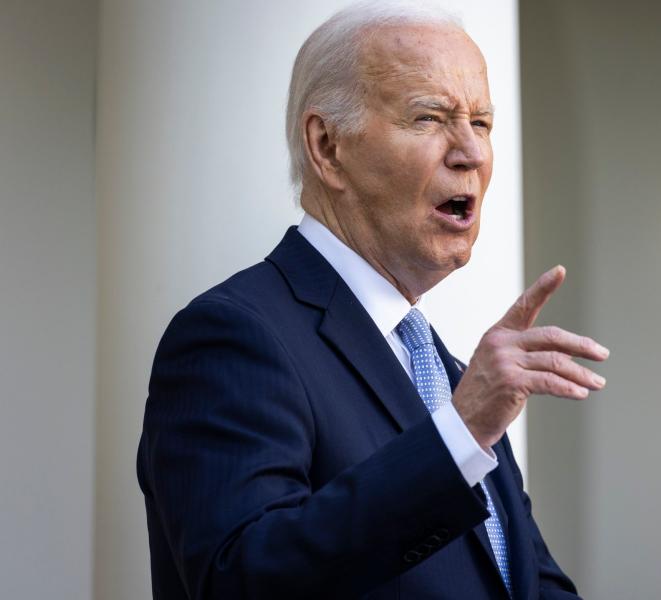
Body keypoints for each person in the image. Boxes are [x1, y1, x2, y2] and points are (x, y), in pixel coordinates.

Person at [137, 3, 608, 599]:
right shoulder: (232, 337)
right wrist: (458, 436)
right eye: (430, 118)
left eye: (482, 123)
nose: (472, 153)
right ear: (328, 146)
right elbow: (244, 580)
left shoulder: (449, 373)